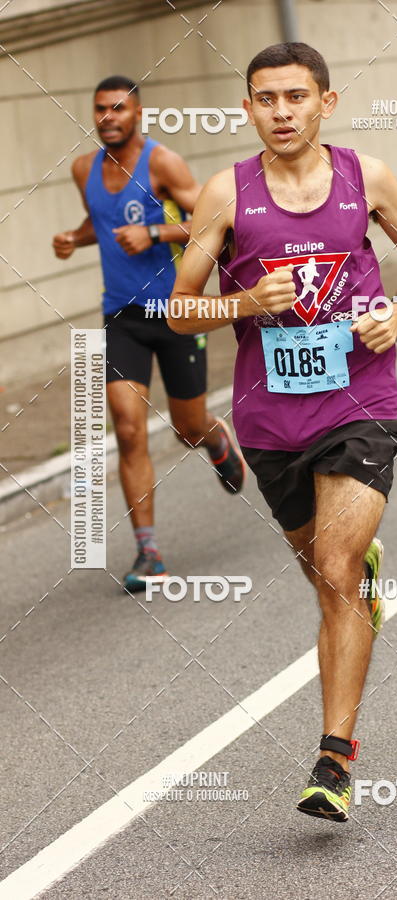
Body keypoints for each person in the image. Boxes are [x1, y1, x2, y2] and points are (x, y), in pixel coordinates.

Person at [168, 43, 397, 820]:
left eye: (296, 97)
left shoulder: (368, 178)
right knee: (327, 574)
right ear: (248, 107)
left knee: (333, 567)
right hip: (268, 417)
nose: (281, 112)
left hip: (360, 401)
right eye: (266, 99)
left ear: (326, 102)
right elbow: (180, 306)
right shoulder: (226, 194)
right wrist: (245, 303)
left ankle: (333, 761)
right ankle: (360, 578)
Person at [53, 75, 245, 590]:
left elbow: (215, 219)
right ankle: (149, 552)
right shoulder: (82, 170)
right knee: (129, 428)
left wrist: (156, 231)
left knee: (186, 427)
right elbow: (100, 219)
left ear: (138, 114)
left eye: (119, 108)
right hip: (121, 316)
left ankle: (214, 435)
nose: (109, 117)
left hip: (176, 310)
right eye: (100, 109)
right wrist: (75, 237)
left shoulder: (162, 162)